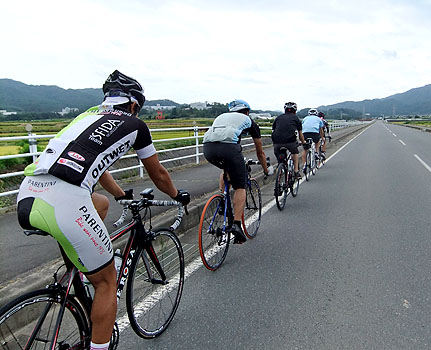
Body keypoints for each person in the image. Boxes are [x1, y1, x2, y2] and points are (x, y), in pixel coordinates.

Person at [16, 70, 190, 350]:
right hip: (65, 200)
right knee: (108, 282)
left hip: (28, 193)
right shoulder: (135, 124)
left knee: (101, 203)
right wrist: (176, 195)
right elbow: (157, 173)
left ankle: (81, 276)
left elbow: (94, 165)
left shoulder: (86, 116)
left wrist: (121, 195)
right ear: (134, 105)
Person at [203, 99, 270, 244]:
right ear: (247, 112)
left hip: (207, 148)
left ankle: (222, 199)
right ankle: (237, 225)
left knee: (225, 169)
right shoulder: (248, 120)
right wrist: (266, 169)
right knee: (240, 186)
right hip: (229, 149)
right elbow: (260, 152)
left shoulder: (222, 117)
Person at [271, 102, 306, 178]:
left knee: (280, 158)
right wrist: (303, 142)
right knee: (295, 152)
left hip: (276, 142)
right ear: (295, 111)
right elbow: (300, 134)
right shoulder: (296, 118)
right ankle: (296, 171)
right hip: (290, 141)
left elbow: (274, 129)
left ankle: (279, 168)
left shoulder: (278, 117)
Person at [301, 108, 324, 172]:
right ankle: (316, 152)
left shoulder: (305, 118)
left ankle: (304, 165)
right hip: (314, 133)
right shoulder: (319, 119)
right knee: (317, 142)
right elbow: (321, 130)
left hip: (305, 133)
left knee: (305, 149)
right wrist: (322, 137)